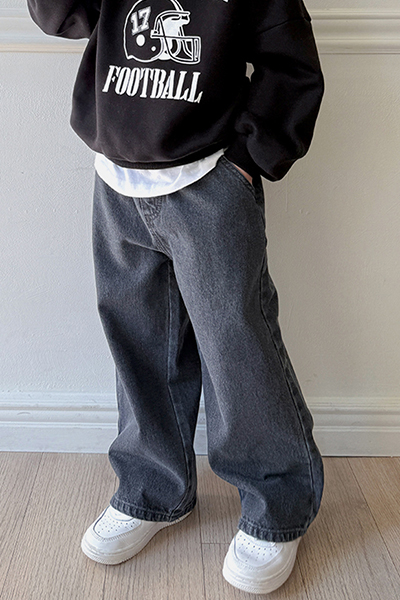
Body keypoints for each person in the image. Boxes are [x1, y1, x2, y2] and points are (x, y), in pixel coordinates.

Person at [27, 0, 325, 594]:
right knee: (139, 341)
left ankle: (276, 505)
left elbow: (292, 65)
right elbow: (61, 16)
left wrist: (248, 161)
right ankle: (152, 488)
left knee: (237, 345)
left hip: (210, 180)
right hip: (116, 180)